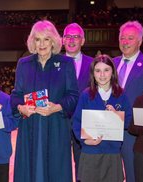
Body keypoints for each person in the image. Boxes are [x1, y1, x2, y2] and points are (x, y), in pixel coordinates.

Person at [10, 20, 79, 182]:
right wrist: (21, 107)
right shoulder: (23, 64)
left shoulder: (66, 63)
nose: (41, 44)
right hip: (30, 127)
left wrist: (56, 107)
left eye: (46, 39)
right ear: (32, 41)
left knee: (56, 171)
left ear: (53, 41)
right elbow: (15, 95)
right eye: (37, 39)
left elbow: (73, 95)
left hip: (56, 125)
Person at [72, 54, 132, 182]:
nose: (102, 75)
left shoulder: (121, 94)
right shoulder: (86, 95)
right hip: (90, 152)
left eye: (106, 70)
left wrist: (117, 116)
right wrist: (85, 141)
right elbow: (76, 122)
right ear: (93, 74)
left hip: (112, 152)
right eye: (98, 71)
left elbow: (129, 121)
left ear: (113, 72)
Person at [113, 20, 143, 182]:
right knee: (109, 174)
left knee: (133, 175)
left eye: (130, 38)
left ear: (140, 41)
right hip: (108, 130)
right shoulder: (110, 63)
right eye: (122, 38)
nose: (125, 42)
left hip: (132, 133)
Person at [62, 22, 93, 182]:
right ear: (62, 40)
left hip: (84, 124)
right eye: (68, 36)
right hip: (59, 121)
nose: (72, 40)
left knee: (83, 166)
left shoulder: (93, 64)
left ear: (83, 40)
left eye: (76, 36)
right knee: (60, 165)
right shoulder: (55, 63)